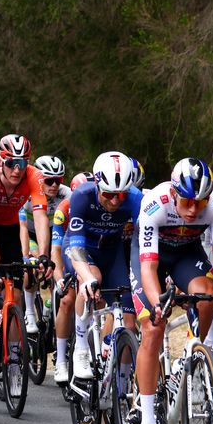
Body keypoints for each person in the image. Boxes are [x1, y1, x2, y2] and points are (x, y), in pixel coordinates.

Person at [132, 158, 213, 424]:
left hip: (185, 254)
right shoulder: (156, 203)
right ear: (175, 193)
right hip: (150, 258)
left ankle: (187, 355)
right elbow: (149, 268)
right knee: (153, 327)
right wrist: (157, 305)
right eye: (187, 202)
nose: (193, 211)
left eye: (200, 203)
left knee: (207, 295)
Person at [60, 152, 142, 383]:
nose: (116, 201)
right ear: (97, 185)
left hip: (112, 252)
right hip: (81, 248)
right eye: (109, 194)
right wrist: (86, 278)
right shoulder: (82, 196)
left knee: (128, 322)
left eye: (121, 195)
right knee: (91, 281)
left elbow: (145, 243)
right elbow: (75, 245)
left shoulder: (136, 199)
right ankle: (82, 348)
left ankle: (119, 384)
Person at [0, 134, 52, 335]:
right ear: (1, 160)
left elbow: (41, 216)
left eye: (22, 163)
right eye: (11, 163)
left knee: (15, 295)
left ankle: (14, 355)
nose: (17, 169)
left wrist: (44, 254)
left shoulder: (34, 176)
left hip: (10, 231)